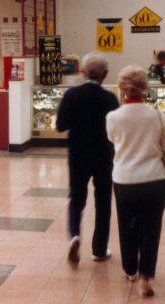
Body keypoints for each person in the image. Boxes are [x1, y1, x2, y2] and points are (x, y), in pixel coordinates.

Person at [106, 66, 165, 299]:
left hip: (124, 180)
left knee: (127, 227)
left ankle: (130, 270)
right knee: (151, 230)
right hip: (154, 180)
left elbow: (113, 141)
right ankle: (146, 279)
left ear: (122, 89)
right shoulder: (156, 114)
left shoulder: (112, 117)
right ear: (145, 88)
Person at [56, 52, 119, 265]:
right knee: (103, 201)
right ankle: (99, 249)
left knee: (76, 198)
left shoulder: (71, 95)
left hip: (78, 153)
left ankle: (75, 234)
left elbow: (60, 126)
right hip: (103, 155)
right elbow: (117, 131)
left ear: (83, 72)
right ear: (105, 75)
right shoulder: (110, 98)